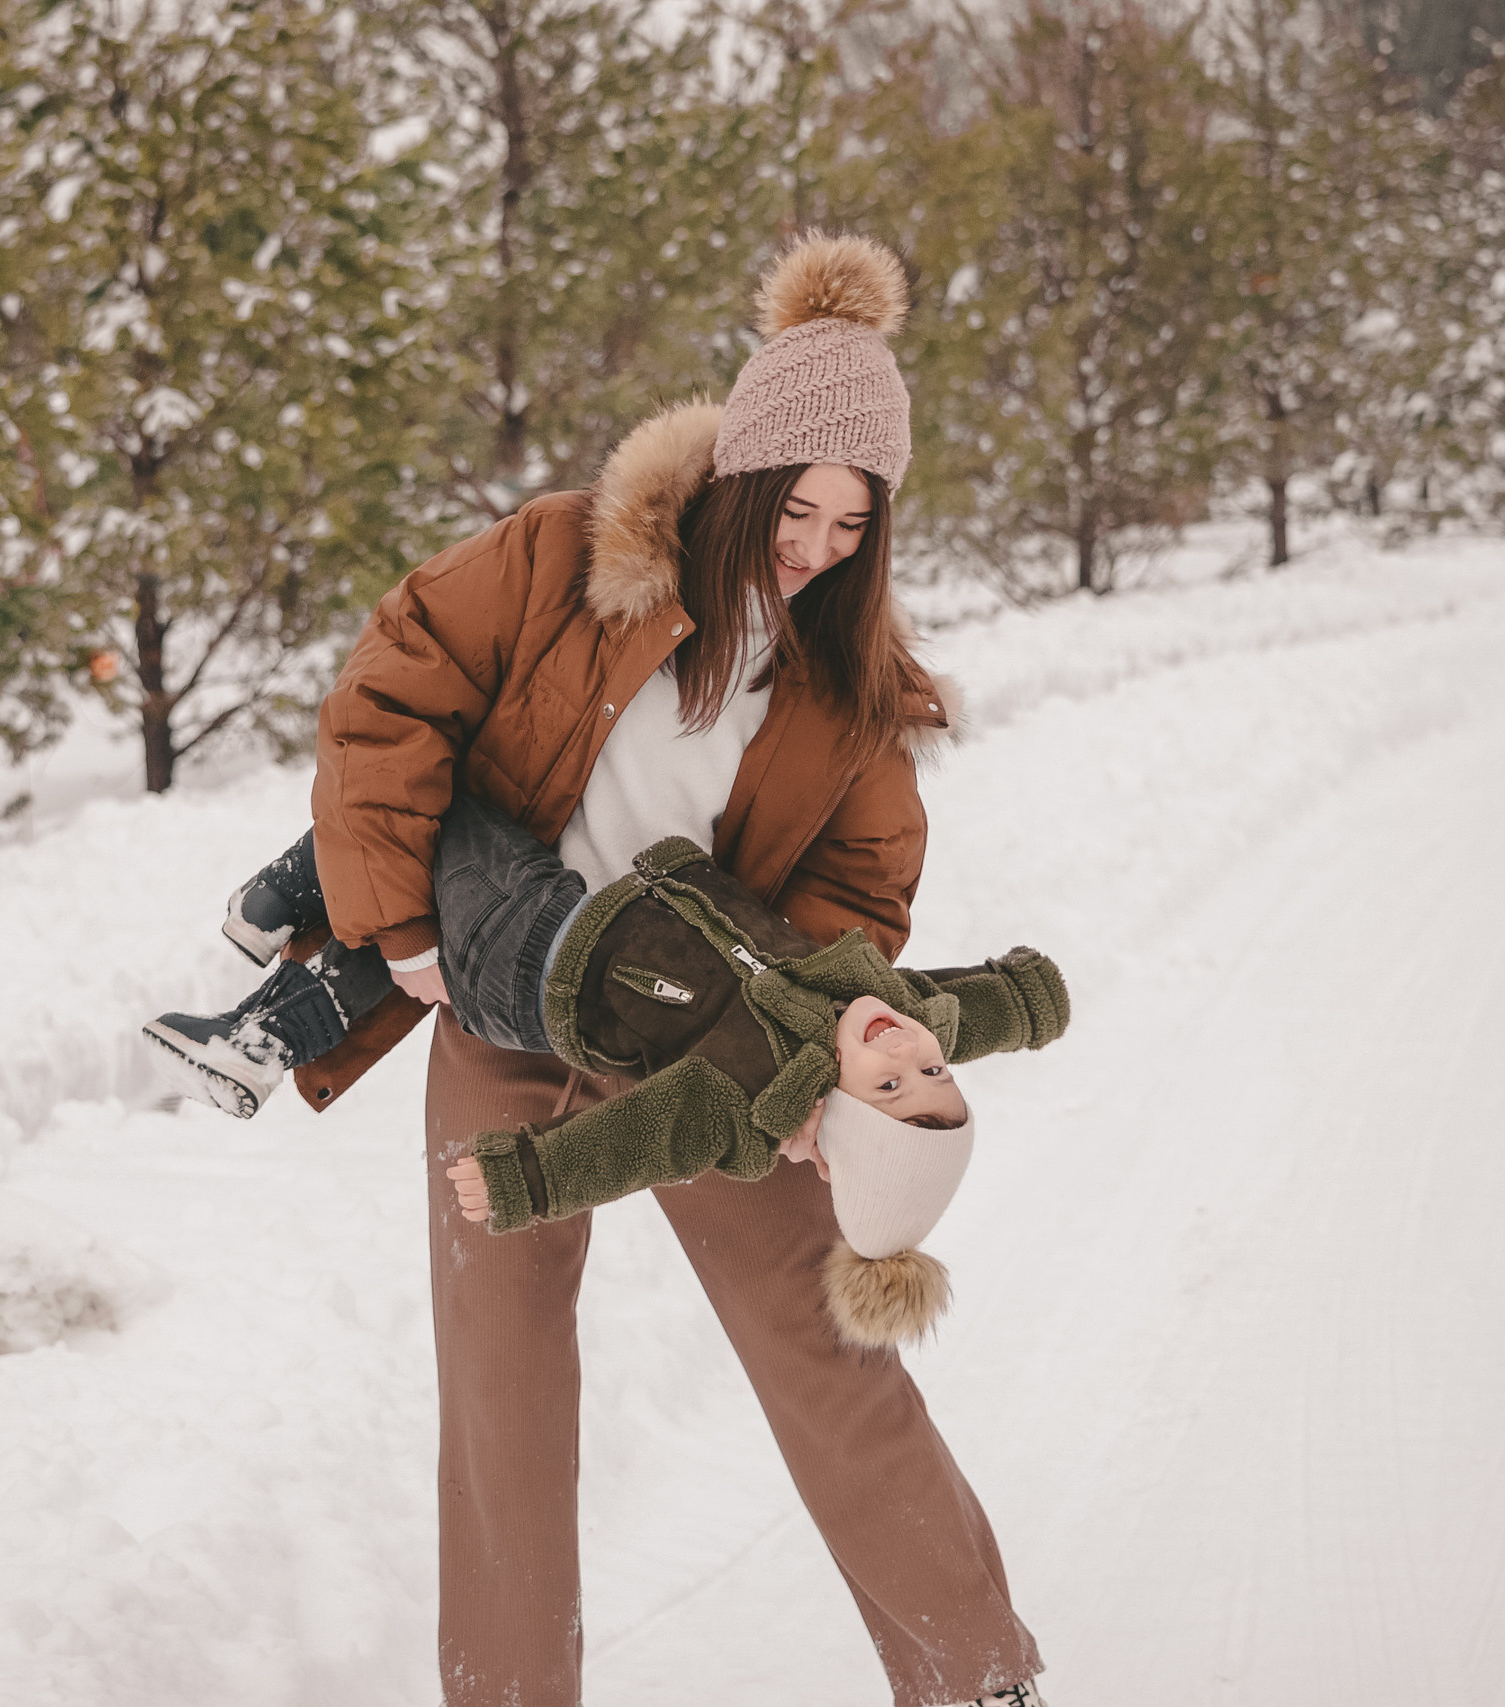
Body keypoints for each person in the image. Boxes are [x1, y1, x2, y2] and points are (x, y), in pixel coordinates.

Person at [265, 231, 1051, 1706]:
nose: (816, 544)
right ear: (741, 469)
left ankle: (977, 1677)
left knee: (828, 1347)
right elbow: (391, 690)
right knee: (500, 1393)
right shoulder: (565, 556)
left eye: (853, 522)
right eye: (795, 505)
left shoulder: (852, 693)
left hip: (708, 1043)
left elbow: (856, 897)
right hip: (500, 1009)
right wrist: (406, 932)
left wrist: (815, 1054)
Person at [145, 795, 1068, 1341]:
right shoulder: (867, 1014)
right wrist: (1027, 1002)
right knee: (412, 904)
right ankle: (259, 1042)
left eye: (892, 1086)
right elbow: (960, 1009)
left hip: (538, 967)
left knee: (438, 811)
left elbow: (638, 1142)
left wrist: (529, 1177)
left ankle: (274, 894)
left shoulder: (743, 1096)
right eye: (937, 1066)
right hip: (561, 925)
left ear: (830, 1125)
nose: (907, 1049)